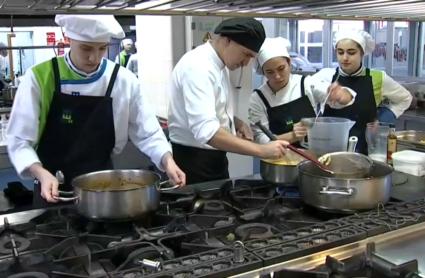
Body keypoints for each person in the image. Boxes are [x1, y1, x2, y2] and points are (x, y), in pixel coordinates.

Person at [6, 14, 185, 206]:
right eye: (86, 48)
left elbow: (147, 132)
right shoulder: (40, 77)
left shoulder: (122, 80)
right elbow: (19, 140)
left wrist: (167, 161)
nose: (94, 57)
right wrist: (39, 173)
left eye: (102, 48)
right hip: (51, 187)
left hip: (103, 191)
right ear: (69, 39)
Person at [168, 17, 289, 185]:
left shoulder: (219, 63)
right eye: (246, 54)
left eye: (251, 57)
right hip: (194, 163)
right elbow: (207, 132)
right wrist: (261, 150)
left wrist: (236, 122)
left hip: (214, 158)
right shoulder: (198, 67)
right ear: (227, 40)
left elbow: (214, 107)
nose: (246, 63)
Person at [314, 30, 412, 154]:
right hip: (329, 148)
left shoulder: (377, 77)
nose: (345, 58)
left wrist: (383, 118)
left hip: (364, 150)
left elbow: (405, 98)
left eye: (351, 52)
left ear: (362, 53)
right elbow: (309, 93)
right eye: (340, 52)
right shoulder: (326, 75)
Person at [249, 37, 355, 145]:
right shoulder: (257, 99)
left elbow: (341, 100)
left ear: (289, 63)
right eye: (270, 72)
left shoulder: (306, 83)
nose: (277, 76)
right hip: (275, 159)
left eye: (281, 68)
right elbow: (260, 139)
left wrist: (341, 95)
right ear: (262, 72)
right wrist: (292, 135)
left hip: (311, 155)